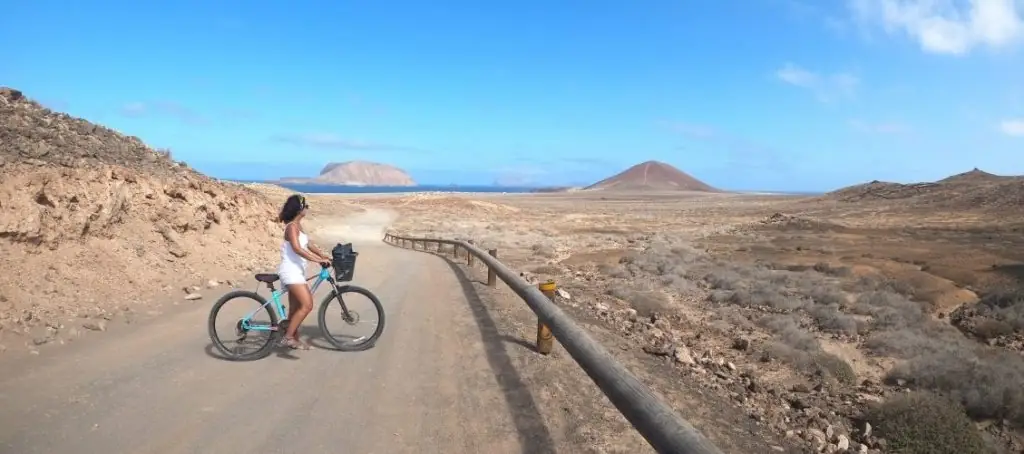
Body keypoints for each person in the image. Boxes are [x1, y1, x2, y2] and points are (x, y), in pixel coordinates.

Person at [277, 194, 331, 350]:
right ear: (299, 209)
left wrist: (323, 255)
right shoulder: (291, 227)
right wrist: (317, 260)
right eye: (305, 205)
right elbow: (297, 248)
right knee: (307, 305)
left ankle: (294, 338)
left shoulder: (298, 226)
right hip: (290, 272)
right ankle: (288, 338)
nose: (307, 208)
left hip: (297, 272)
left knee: (294, 309)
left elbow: (308, 244)